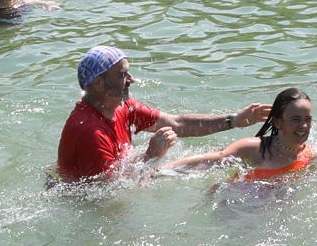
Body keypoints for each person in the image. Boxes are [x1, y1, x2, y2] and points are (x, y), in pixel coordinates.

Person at [54, 46, 272, 183]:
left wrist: (234, 120)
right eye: (122, 74)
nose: (131, 79)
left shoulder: (123, 107)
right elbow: (109, 192)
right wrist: (150, 155)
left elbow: (177, 124)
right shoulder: (89, 131)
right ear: (99, 84)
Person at [160, 87, 316, 183]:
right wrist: (162, 171)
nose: (303, 126)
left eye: (307, 119)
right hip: (238, 203)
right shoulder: (255, 148)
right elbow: (213, 160)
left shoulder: (310, 154)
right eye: (295, 119)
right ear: (278, 122)